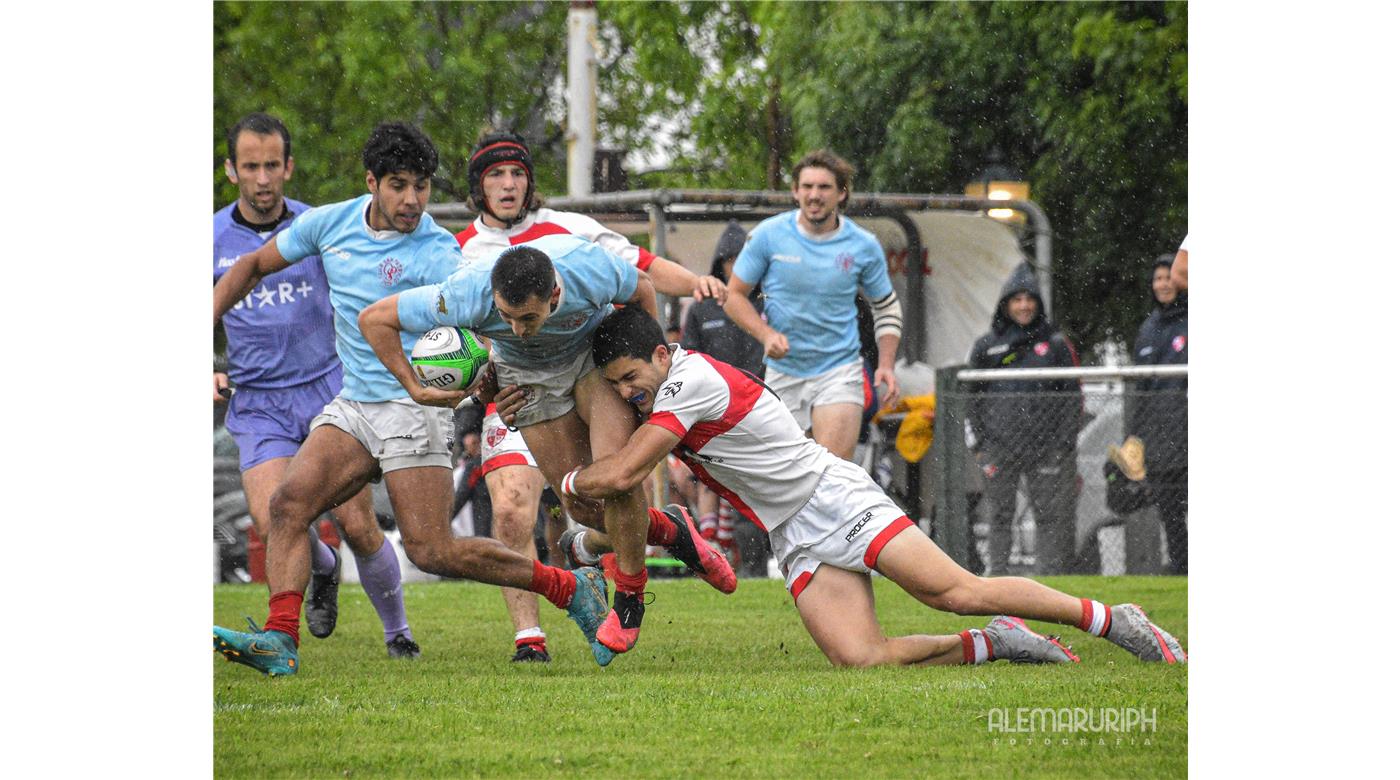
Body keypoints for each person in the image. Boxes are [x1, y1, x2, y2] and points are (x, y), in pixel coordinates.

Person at [561, 306, 1185, 667]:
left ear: (664, 355)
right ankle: (993, 644)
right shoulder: (658, 386)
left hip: (834, 497)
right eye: (614, 385)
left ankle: (1114, 621)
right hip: (793, 530)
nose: (624, 393)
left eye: (630, 376)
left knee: (955, 590)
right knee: (861, 660)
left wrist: (563, 479)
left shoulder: (688, 380)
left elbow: (620, 475)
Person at [211, 122, 611, 676]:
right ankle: (281, 638)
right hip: (354, 405)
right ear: (371, 182)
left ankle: (568, 589)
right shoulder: (328, 225)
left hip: (414, 410)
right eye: (398, 185)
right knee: (287, 505)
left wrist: (486, 385)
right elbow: (253, 264)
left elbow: (486, 329)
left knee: (430, 549)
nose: (412, 200)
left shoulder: (440, 252)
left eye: (421, 186)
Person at [358, 235, 736, 660]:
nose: (517, 329)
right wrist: (416, 387)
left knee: (618, 478)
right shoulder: (464, 292)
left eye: (528, 318)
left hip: (594, 360)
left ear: (555, 294)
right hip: (528, 383)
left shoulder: (587, 267)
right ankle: (671, 530)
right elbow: (375, 319)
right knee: (583, 508)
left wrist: (646, 367)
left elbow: (644, 287)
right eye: (506, 317)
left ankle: (629, 600)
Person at [451, 131, 729, 662]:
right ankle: (530, 638)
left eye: (517, 173)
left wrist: (695, 283)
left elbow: (640, 271)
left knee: (604, 491)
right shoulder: (457, 249)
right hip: (519, 387)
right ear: (477, 186)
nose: (508, 185)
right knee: (514, 508)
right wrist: (477, 387)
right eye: (494, 175)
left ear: (530, 182)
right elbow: (459, 339)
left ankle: (626, 592)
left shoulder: (572, 231)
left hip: (587, 372)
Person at [213, 112, 420, 658]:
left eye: (273, 166)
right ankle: (321, 569)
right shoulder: (209, 238)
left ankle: (398, 633)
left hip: (328, 388)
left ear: (289, 167)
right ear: (231, 170)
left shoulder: (320, 226)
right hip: (258, 403)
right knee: (273, 516)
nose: (263, 178)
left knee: (356, 520)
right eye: (251, 166)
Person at [723, 150, 902, 462]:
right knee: (789, 474)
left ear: (842, 193)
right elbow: (733, 296)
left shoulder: (863, 245)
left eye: (824, 187)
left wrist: (886, 364)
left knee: (831, 471)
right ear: (795, 191)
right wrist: (766, 335)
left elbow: (886, 307)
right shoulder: (768, 235)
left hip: (839, 369)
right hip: (783, 371)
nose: (814, 195)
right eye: (807, 187)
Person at [966, 263, 1083, 575]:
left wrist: (1063, 442)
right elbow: (971, 398)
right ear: (1006, 304)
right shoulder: (986, 346)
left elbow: (1072, 396)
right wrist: (980, 442)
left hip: (1045, 449)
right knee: (1000, 515)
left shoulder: (1056, 344)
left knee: (1048, 516)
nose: (1023, 305)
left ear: (1038, 303)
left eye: (1029, 299)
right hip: (998, 448)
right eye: (1016, 299)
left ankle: (1048, 580)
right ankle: (998, 579)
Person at [681, 220, 766, 557]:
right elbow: (688, 354)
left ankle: (745, 549)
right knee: (708, 473)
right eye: (729, 260)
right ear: (719, 262)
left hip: (757, 401)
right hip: (713, 400)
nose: (735, 266)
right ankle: (711, 543)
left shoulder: (763, 304)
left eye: (741, 259)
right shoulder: (702, 307)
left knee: (746, 477)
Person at [1131, 255, 1188, 574]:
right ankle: (1182, 566)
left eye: (1169, 278)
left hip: (1189, 432)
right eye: (1158, 279)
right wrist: (1135, 437)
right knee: (1170, 510)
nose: (1163, 284)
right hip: (1161, 440)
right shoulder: (1149, 328)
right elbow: (1139, 389)